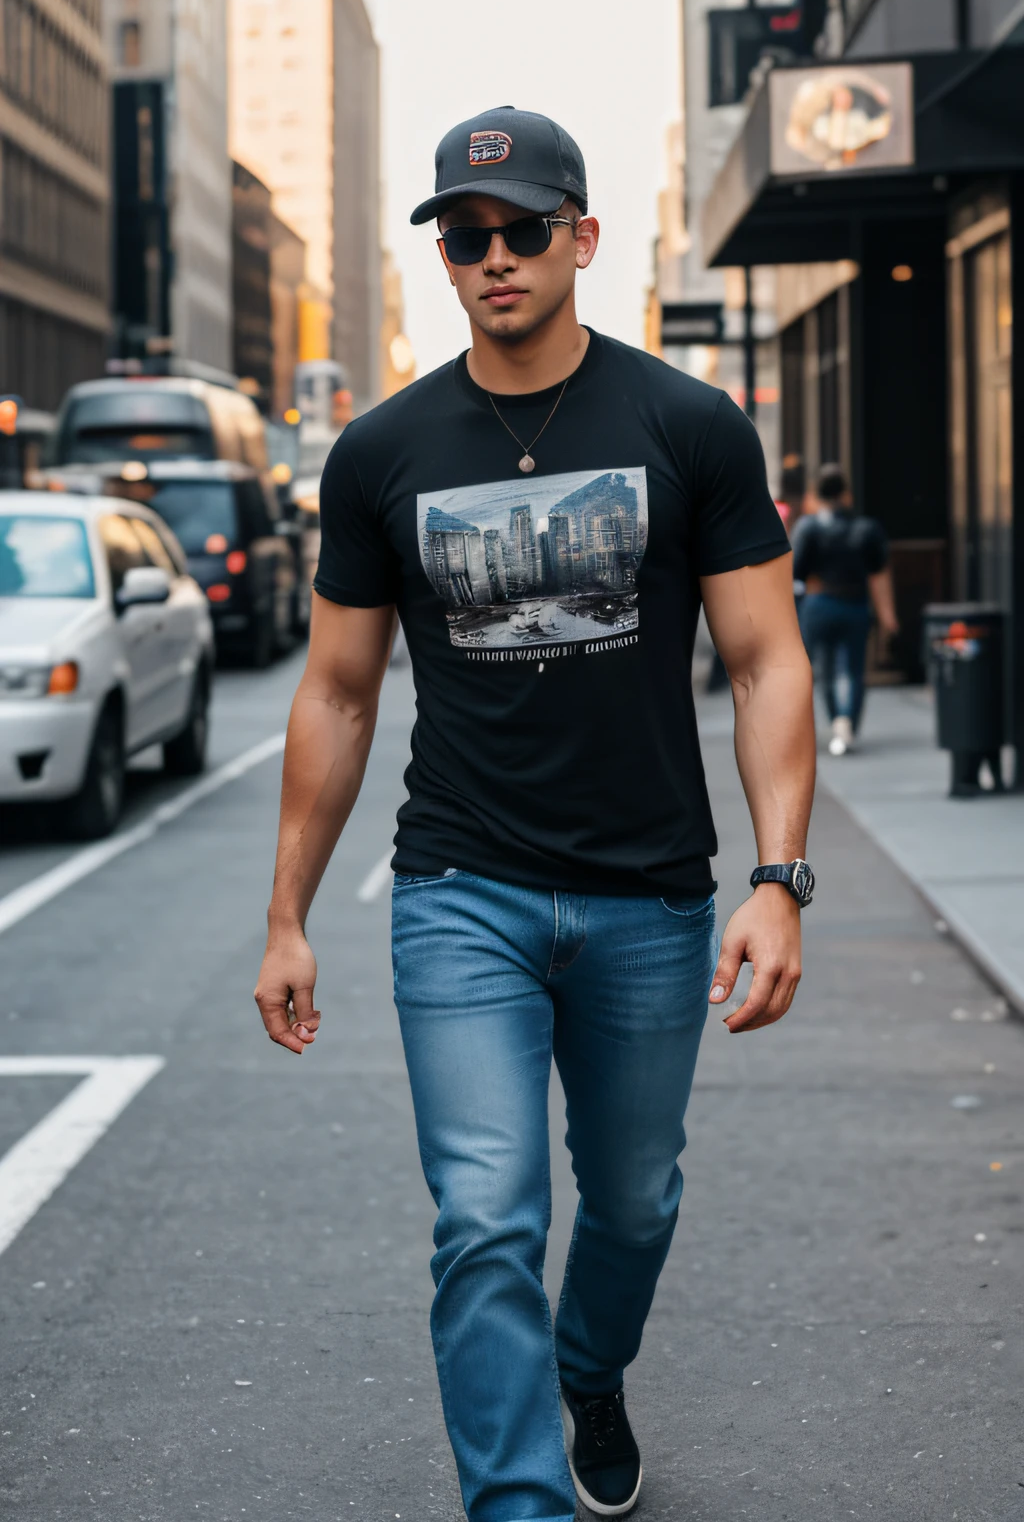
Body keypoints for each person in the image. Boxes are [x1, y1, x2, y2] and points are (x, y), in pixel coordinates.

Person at [255, 106, 816, 1522]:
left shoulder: (686, 424)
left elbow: (765, 659)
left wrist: (779, 878)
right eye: (464, 236)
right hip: (464, 892)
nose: (492, 257)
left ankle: (592, 1372)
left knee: (634, 1203)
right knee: (488, 1219)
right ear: (445, 257)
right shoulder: (383, 450)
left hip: (651, 897)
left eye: (519, 230)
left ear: (583, 238)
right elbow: (334, 693)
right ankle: (517, 1502)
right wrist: (287, 918)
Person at [793, 463, 898, 756]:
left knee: (825, 669)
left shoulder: (808, 527)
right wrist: (888, 615)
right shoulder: (867, 528)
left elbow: (795, 574)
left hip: (819, 604)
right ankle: (848, 724)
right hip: (855, 604)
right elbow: (879, 576)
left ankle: (837, 721)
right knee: (854, 670)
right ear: (846, 495)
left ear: (816, 495)